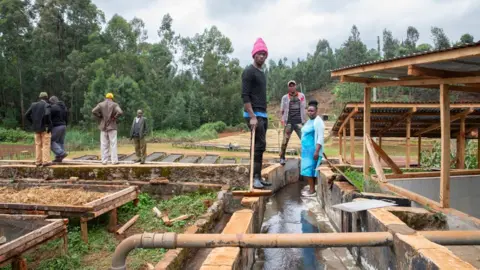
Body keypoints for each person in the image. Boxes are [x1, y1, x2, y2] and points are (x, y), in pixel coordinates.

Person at [241, 38, 272, 189]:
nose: (262, 57)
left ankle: (258, 177)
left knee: (261, 145)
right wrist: (252, 116)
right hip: (254, 115)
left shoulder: (261, 73)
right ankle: (254, 178)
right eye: (259, 54)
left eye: (264, 54)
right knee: (257, 145)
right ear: (254, 55)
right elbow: (245, 96)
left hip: (262, 114)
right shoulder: (249, 72)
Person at [300, 100, 325, 197]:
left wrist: (317, 151)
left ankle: (312, 190)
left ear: (316, 111)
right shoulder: (309, 121)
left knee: (308, 170)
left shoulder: (318, 122)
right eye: (309, 111)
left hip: (312, 151)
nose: (310, 112)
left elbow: (320, 137)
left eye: (312, 111)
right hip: (306, 151)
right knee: (308, 170)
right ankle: (312, 188)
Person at [279, 80, 306, 165]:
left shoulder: (301, 96)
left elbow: (304, 108)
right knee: (284, 141)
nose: (292, 87)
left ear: (295, 86)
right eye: (290, 86)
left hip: (299, 122)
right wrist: (283, 120)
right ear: (288, 87)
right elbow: (282, 110)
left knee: (305, 140)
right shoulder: (285, 97)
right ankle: (282, 158)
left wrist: (304, 121)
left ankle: (307, 157)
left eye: (293, 85)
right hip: (289, 122)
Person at [92, 93, 123, 165]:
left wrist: (100, 116)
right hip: (112, 126)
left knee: (103, 144)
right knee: (113, 144)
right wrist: (115, 117)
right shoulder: (115, 104)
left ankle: (104, 161)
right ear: (112, 98)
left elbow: (93, 111)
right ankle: (114, 161)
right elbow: (120, 112)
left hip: (103, 127)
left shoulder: (101, 104)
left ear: (105, 97)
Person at [25, 92, 53, 167]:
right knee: (46, 144)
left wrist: (33, 122)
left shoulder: (33, 105)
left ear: (39, 97)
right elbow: (47, 114)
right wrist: (48, 124)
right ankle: (45, 161)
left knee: (38, 145)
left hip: (36, 129)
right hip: (45, 128)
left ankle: (38, 161)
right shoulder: (47, 105)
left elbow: (27, 115)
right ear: (46, 98)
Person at [49, 96, 68, 162]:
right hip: (64, 126)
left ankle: (61, 153)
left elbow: (49, 117)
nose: (50, 104)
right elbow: (66, 118)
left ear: (52, 101)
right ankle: (59, 158)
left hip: (57, 126)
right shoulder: (64, 107)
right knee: (60, 142)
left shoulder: (54, 107)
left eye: (50, 102)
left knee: (50, 141)